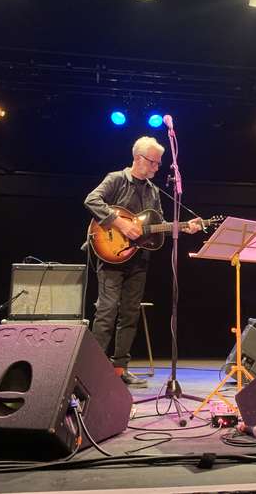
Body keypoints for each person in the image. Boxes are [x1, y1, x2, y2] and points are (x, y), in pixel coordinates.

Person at [84, 136, 202, 387]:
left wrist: (183, 228)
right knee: (106, 312)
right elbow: (91, 200)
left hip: (138, 260)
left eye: (159, 163)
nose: (157, 167)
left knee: (129, 315)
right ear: (138, 158)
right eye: (154, 162)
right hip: (111, 258)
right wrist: (119, 222)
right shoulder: (116, 179)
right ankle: (90, 370)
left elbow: (154, 229)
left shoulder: (153, 191)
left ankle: (119, 369)